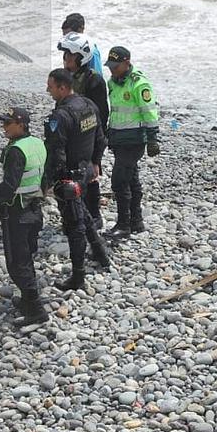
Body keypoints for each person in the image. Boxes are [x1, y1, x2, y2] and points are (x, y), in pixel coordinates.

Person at [0, 108, 49, 328]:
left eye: (8, 124)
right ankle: (26, 299)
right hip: (34, 209)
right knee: (28, 256)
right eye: (3, 123)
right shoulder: (37, 144)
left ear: (20, 125)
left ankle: (36, 310)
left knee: (17, 263)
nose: (4, 127)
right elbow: (45, 177)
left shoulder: (16, 151)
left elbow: (8, 187)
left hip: (18, 213)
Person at [44, 69, 111, 291]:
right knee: (83, 213)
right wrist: (95, 163)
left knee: (74, 226)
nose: (48, 90)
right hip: (86, 171)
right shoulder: (89, 106)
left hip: (70, 177)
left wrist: (52, 181)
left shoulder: (61, 116)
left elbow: (56, 152)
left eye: (51, 86)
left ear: (63, 88)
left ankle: (78, 276)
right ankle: (101, 255)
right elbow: (101, 138)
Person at [104, 46, 159, 237]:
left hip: (134, 140)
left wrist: (153, 139)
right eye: (110, 66)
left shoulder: (138, 83)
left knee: (119, 182)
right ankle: (136, 222)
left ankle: (123, 225)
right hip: (118, 138)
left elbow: (150, 111)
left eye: (116, 66)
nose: (112, 70)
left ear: (127, 63)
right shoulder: (113, 82)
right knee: (132, 180)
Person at [58, 31, 109, 229]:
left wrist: (97, 154)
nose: (66, 60)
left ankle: (94, 217)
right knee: (67, 175)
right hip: (70, 135)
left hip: (88, 137)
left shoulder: (94, 81)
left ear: (81, 57)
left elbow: (100, 116)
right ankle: (73, 216)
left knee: (90, 176)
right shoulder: (65, 78)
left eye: (70, 56)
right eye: (65, 56)